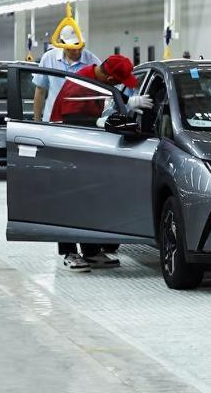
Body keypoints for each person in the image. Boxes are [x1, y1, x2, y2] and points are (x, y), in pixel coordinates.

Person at [44, 54, 151, 272]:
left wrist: (126, 101)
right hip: (67, 149)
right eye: (119, 82)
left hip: (85, 148)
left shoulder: (95, 80)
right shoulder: (79, 85)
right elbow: (71, 120)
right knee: (70, 200)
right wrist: (99, 121)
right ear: (110, 77)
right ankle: (69, 253)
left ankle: (91, 252)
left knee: (88, 199)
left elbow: (108, 93)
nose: (119, 85)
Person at [31, 26, 101, 122]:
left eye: (80, 47)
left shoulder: (93, 62)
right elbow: (40, 91)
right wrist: (37, 121)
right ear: (61, 43)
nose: (77, 51)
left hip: (81, 123)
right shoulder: (48, 58)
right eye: (71, 48)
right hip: (51, 122)